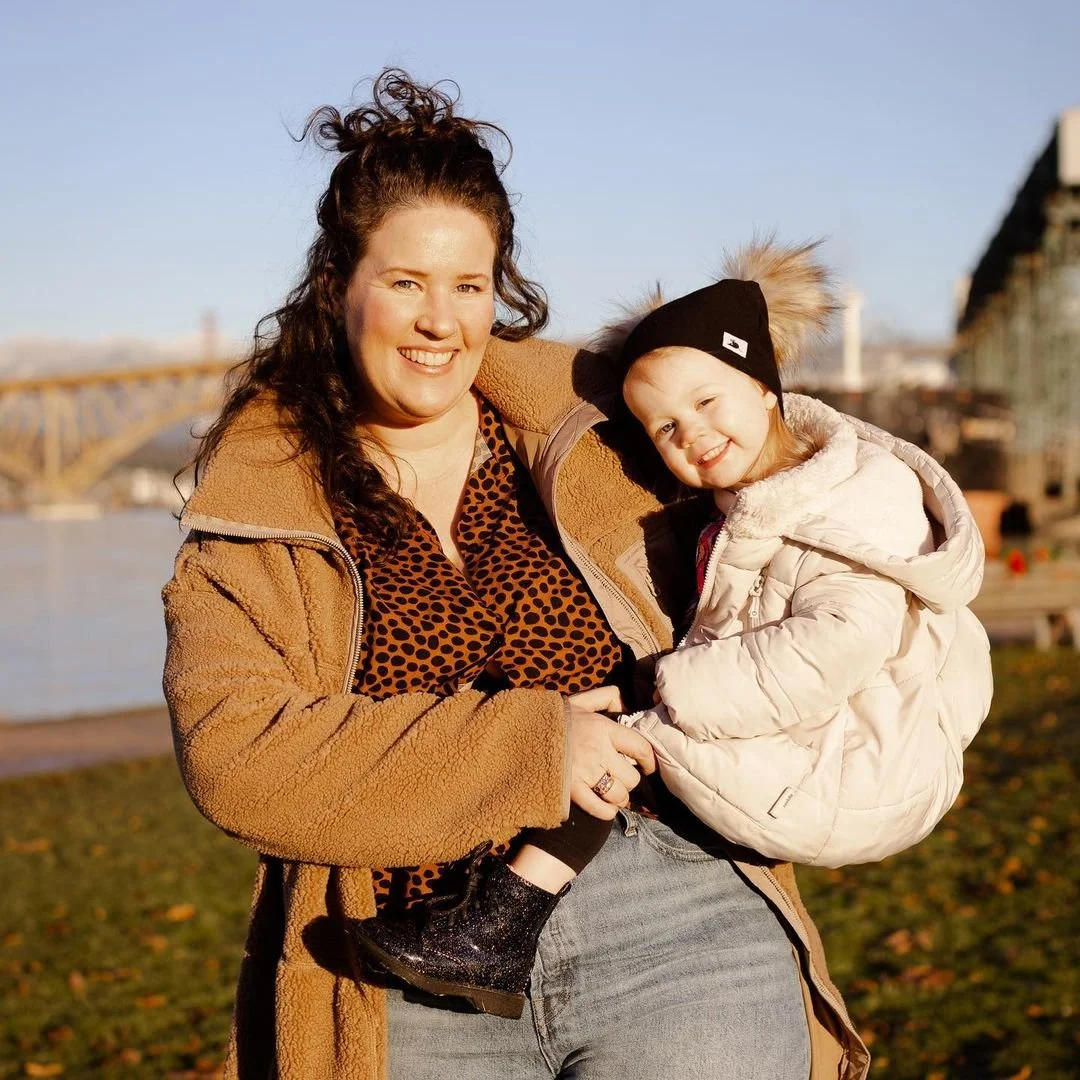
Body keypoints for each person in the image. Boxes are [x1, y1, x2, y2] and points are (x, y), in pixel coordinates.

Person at [163, 70, 869, 1080]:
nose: (439, 321)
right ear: (338, 284)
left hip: (674, 911)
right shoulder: (259, 508)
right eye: (405, 282)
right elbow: (241, 758)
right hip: (400, 961)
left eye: (467, 285)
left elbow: (802, 517)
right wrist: (536, 745)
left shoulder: (607, 435)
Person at [351, 239, 993, 1016]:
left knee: (620, 741)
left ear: (764, 389)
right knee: (599, 712)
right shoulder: (756, 501)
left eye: (706, 402)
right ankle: (494, 910)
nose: (690, 434)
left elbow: (833, 648)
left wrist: (653, 687)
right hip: (816, 726)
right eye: (663, 429)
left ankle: (502, 921)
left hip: (860, 761)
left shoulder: (848, 503)